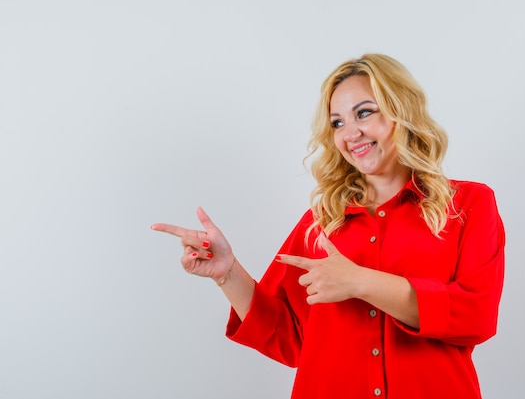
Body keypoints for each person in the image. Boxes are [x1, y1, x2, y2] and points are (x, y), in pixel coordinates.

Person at [151, 53, 505, 399]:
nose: (350, 133)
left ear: (402, 111)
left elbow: (476, 316)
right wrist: (226, 272)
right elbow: (287, 338)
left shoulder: (468, 205)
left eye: (363, 113)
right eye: (337, 123)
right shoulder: (321, 222)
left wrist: (359, 282)